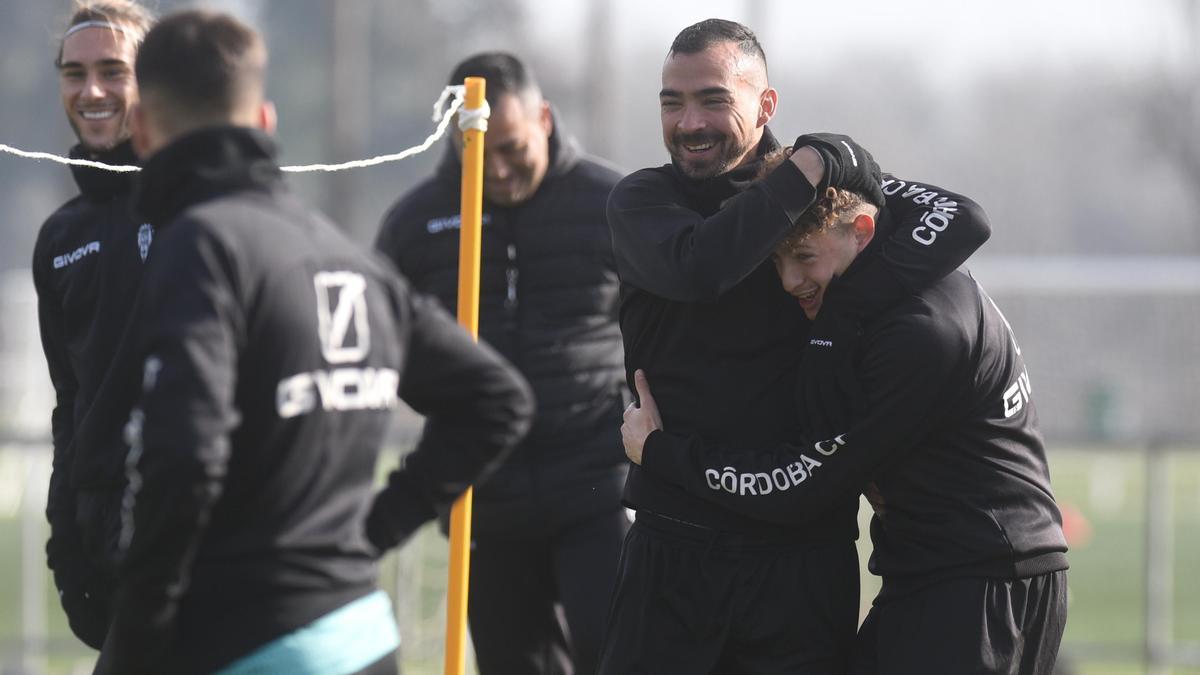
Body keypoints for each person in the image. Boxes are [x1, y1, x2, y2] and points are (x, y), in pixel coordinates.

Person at [95, 11, 535, 675]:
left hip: (242, 643)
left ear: (142, 129)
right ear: (266, 122)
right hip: (363, 636)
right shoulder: (343, 253)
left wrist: (133, 643)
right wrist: (373, 533)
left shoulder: (204, 245)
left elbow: (182, 456)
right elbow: (497, 399)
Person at [599, 18, 993, 674]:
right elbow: (703, 267)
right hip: (674, 552)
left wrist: (840, 317)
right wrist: (812, 163)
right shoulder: (642, 201)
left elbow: (962, 218)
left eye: (714, 100)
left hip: (801, 562)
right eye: (672, 103)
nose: (689, 122)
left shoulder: (823, 195)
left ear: (766, 105)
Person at [622, 183, 1069, 674]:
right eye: (776, 261)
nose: (791, 281)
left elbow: (802, 485)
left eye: (805, 257)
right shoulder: (903, 276)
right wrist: (820, 162)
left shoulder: (916, 336)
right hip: (952, 572)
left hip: (981, 583)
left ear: (862, 231)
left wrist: (660, 452)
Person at [375, 53, 628, 675]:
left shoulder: (613, 204)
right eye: (477, 152)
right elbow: (378, 342)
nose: (497, 168)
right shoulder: (414, 224)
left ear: (543, 118)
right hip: (484, 492)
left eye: (511, 146)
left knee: (619, 653)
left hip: (599, 482)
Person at [31, 0, 155, 651]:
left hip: (208, 552)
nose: (94, 90)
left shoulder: (203, 205)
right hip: (108, 548)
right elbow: (71, 403)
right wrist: (65, 539)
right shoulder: (60, 238)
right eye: (75, 73)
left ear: (153, 81)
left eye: (114, 70)